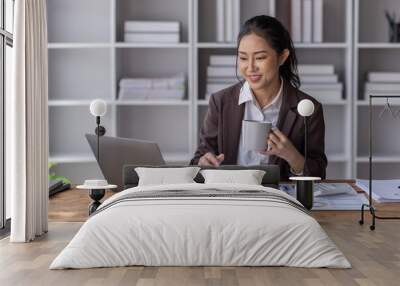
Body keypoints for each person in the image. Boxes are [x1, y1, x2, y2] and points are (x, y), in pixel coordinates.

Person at [190, 15, 327, 180]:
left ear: (282, 57)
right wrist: (204, 163)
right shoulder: (221, 102)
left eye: (260, 57)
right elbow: (198, 161)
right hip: (229, 197)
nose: (250, 67)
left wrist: (292, 156)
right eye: (243, 58)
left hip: (280, 201)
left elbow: (319, 173)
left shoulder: (308, 108)